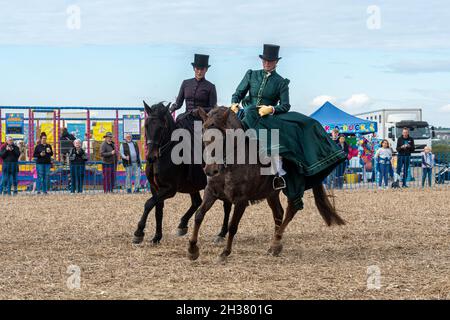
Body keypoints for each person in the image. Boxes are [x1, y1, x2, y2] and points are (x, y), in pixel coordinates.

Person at [230, 44, 346, 209]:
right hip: (247, 113)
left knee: (280, 143)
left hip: (267, 118)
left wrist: (271, 108)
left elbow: (285, 106)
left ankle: (279, 175)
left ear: (276, 62)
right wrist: (234, 103)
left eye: (271, 61)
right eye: (265, 61)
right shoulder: (251, 75)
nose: (267, 63)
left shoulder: (281, 82)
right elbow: (238, 94)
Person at [169, 54, 217, 181]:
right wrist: (171, 109)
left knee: (197, 140)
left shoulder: (210, 86)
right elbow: (179, 103)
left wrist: (199, 111)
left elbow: (213, 107)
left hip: (201, 120)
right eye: (197, 68)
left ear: (206, 70)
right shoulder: (186, 83)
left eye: (202, 69)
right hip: (185, 118)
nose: (199, 71)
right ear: (194, 69)